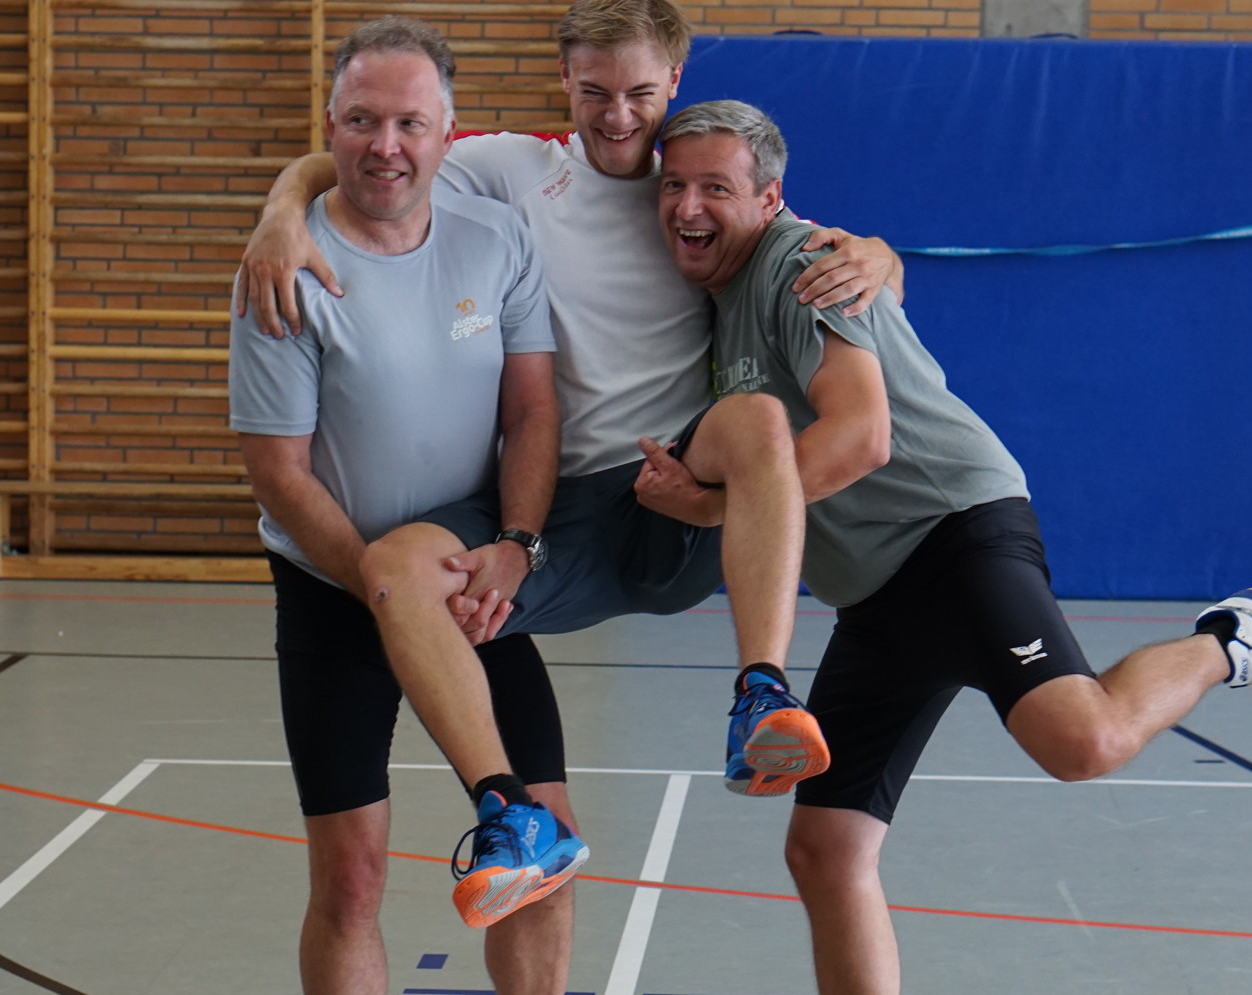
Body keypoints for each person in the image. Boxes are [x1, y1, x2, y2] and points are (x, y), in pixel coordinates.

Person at [639, 99, 1252, 995]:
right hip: (874, 588)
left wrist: (707, 502)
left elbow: (861, 436)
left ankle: (1237, 636)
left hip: (950, 527)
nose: (688, 206)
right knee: (825, 849)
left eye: (715, 188)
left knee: (1082, 743)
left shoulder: (793, 265)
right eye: (674, 186)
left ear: (768, 198)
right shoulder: (725, 292)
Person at [236, 1, 910, 906]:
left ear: (674, 82)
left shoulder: (697, 188)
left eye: (639, 93)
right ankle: (510, 812)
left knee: (753, 418)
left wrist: (882, 256)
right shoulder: (510, 169)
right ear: (564, 79)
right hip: (560, 508)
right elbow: (378, 153)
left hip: (668, 492)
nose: (618, 115)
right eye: (595, 91)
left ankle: (762, 689)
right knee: (401, 569)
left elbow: (807, 241)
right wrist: (283, 211)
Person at [227, 17, 606, 995]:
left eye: (407, 123)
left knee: (542, 845)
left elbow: (533, 412)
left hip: (472, 584)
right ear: (329, 129)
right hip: (337, 595)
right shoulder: (287, 268)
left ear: (449, 134)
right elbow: (279, 472)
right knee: (349, 874)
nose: (382, 145)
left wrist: (517, 545)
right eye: (359, 121)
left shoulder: (493, 240)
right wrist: (384, 591)